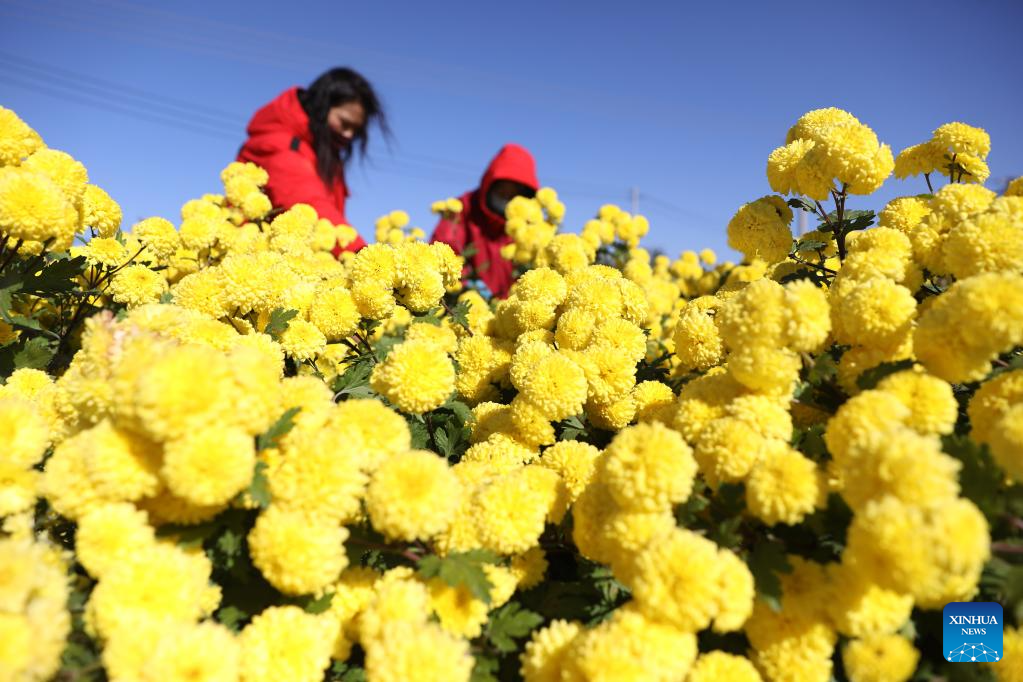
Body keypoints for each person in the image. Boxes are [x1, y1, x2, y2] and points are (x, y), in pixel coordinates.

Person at [237, 67, 388, 255]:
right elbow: (309, 203)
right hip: (257, 258)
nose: (349, 134)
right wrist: (364, 256)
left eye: (356, 129)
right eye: (344, 123)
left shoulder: (323, 152)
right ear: (322, 107)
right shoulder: (281, 144)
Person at [431, 144, 538, 297]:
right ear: (490, 183)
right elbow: (442, 252)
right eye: (502, 191)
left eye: (514, 194)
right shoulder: (463, 209)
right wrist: (467, 283)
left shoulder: (530, 226)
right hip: (463, 299)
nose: (507, 199)